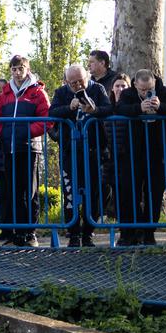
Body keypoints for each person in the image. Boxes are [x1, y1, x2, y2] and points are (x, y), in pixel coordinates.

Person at [49, 64, 113, 246]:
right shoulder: (61, 92)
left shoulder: (97, 89)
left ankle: (88, 232)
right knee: (70, 192)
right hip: (70, 151)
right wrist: (69, 108)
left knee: (95, 192)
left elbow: (109, 109)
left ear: (87, 77)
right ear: (66, 82)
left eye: (81, 81)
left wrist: (95, 111)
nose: (77, 85)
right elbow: (52, 112)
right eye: (73, 83)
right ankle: (73, 233)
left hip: (94, 150)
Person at [113, 70, 166, 244]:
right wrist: (138, 109)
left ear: (154, 82)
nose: (146, 92)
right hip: (133, 151)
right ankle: (131, 232)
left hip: (159, 151)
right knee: (130, 191)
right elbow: (119, 108)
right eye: (142, 90)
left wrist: (161, 107)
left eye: (149, 88)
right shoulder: (127, 94)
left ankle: (149, 232)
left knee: (155, 193)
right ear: (135, 85)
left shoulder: (165, 92)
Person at [0, 54, 50, 245]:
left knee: (30, 191)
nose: (17, 73)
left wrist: (27, 131)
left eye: (21, 69)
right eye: (14, 69)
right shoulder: (6, 93)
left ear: (28, 69)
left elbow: (46, 119)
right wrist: (3, 134)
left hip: (29, 148)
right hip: (9, 148)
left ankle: (30, 232)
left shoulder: (38, 92)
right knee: (13, 191)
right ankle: (17, 232)